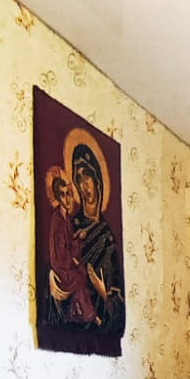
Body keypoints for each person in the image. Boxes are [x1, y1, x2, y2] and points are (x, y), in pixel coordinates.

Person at [69, 139, 123, 332]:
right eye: (78, 179)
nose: (83, 185)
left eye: (87, 177)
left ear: (97, 180)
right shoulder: (72, 226)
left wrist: (103, 291)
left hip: (99, 320)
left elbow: (118, 298)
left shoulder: (107, 237)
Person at [44, 166, 97, 327]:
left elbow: (69, 243)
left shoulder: (66, 218)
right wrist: (74, 259)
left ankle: (77, 311)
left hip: (66, 262)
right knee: (79, 276)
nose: (67, 199)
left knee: (82, 272)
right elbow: (60, 251)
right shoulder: (57, 219)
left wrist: (77, 238)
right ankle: (88, 315)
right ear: (57, 197)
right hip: (60, 266)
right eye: (62, 195)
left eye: (68, 194)